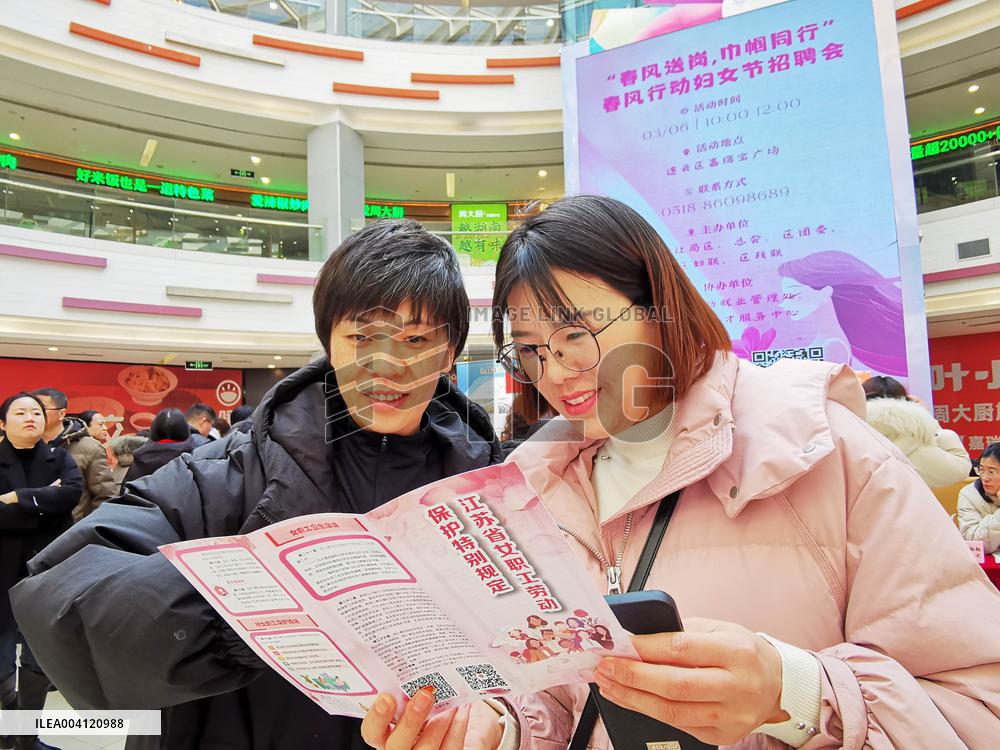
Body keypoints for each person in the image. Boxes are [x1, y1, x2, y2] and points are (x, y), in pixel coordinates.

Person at [361, 196, 1000, 750]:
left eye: (577, 333)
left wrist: (794, 693)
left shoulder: (823, 454)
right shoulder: (534, 490)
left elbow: (979, 707)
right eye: (529, 350)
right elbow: (562, 707)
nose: (554, 372)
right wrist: (497, 730)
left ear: (660, 305)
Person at [11, 219, 503, 750]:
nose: (387, 365)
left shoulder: (492, 495)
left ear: (450, 352)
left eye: (415, 340)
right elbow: (62, 597)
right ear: (329, 343)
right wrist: (248, 624)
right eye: (361, 336)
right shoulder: (222, 473)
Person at [0, 392, 83, 750]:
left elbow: (71, 496)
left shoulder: (59, 457)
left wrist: (15, 498)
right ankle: (10, 729)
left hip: (47, 567)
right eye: (19, 412)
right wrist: (42, 500)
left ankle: (26, 737)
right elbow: (56, 502)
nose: (30, 417)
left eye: (35, 411)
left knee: (39, 657)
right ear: (3, 423)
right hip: (1, 568)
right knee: (1, 659)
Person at [863, 375, 971, 488]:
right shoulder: (921, 442)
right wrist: (934, 426)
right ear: (906, 401)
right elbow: (960, 470)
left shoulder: (853, 441)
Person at [33, 389, 116, 522]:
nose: (32, 416)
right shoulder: (25, 443)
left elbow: (105, 496)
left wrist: (82, 529)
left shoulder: (88, 447)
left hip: (69, 532)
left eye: (40, 409)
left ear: (61, 414)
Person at [121, 408, 196, 486]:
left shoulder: (137, 459)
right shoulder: (195, 459)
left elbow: (125, 491)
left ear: (153, 431)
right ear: (185, 431)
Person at [958, 442, 1000, 553]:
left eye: (991, 472)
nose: (985, 478)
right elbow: (974, 544)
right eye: (981, 470)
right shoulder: (969, 495)